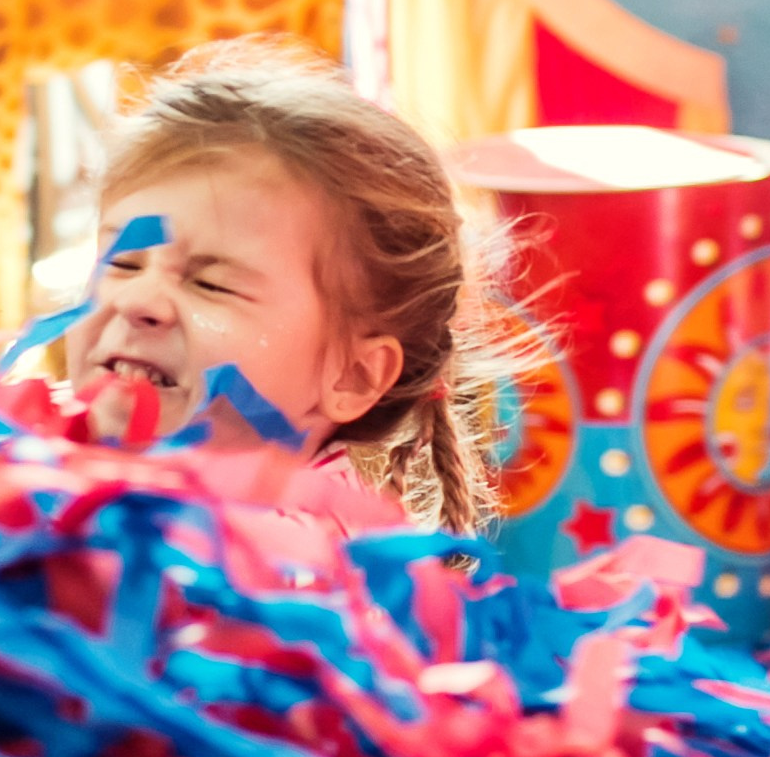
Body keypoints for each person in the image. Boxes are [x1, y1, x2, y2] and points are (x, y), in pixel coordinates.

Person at [57, 39, 531, 527]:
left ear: (353, 375)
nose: (137, 300)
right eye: (123, 264)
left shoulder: (288, 571)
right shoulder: (47, 472)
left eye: (212, 284)